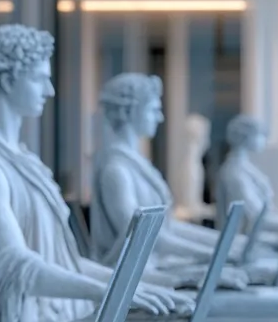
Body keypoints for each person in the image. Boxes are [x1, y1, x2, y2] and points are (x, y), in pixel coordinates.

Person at [0, 25, 190, 322]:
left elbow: (61, 264)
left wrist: (141, 283)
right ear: (8, 79)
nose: (50, 90)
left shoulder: (21, 160)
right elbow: (19, 268)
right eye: (40, 79)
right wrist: (111, 293)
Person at [91, 73, 247, 270]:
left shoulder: (135, 165)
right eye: (153, 110)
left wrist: (228, 243)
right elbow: (143, 238)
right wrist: (216, 253)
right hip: (137, 282)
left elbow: (167, 228)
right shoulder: (117, 171)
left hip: (153, 270)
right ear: (130, 112)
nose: (160, 117)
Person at [216, 114, 278, 234]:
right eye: (260, 134)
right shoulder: (234, 173)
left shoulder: (246, 168)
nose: (264, 140)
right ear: (244, 135)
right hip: (242, 244)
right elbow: (256, 217)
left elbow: (267, 211)